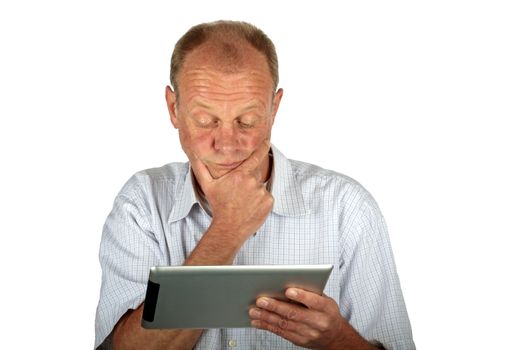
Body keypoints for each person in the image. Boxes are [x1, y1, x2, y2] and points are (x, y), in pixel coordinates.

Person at [95, 20, 415, 350]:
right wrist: (228, 229)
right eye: (205, 121)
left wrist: (338, 340)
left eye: (247, 121)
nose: (228, 143)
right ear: (173, 109)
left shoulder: (347, 208)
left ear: (274, 108)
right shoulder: (141, 203)